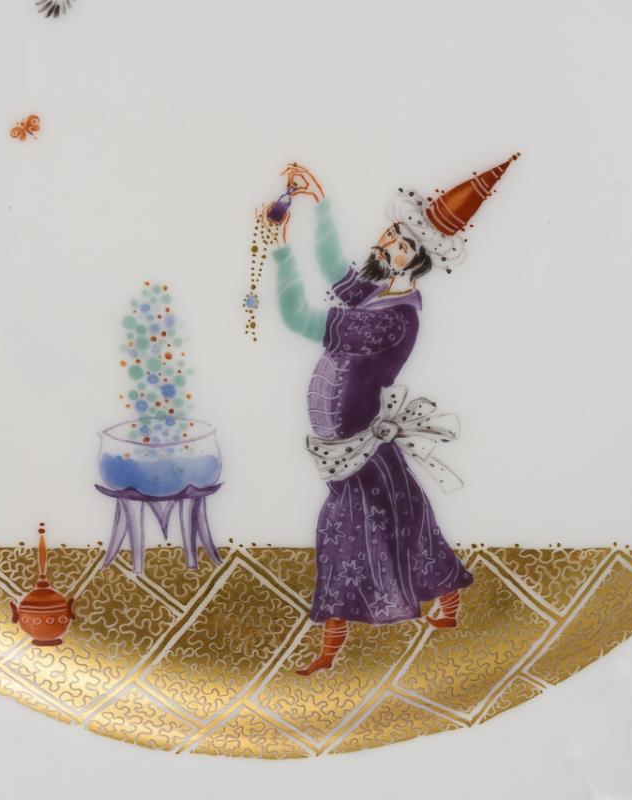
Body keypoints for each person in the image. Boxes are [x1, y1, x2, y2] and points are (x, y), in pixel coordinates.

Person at [262, 156, 519, 675]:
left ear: (416, 261)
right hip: (346, 440)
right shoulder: (380, 291)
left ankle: (331, 649)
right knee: (406, 513)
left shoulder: (395, 317)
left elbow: (298, 317)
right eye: (391, 234)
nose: (385, 244)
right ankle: (448, 604)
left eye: (400, 244)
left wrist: (281, 251)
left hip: (356, 440)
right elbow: (335, 271)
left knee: (346, 530)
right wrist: (318, 201)